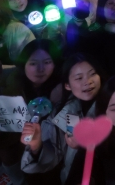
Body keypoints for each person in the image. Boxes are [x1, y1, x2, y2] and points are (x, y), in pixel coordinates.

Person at [20, 53, 103, 184]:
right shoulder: (66, 112)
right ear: (67, 85)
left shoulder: (112, 105)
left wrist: (85, 146)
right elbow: (54, 155)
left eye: (92, 74)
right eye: (79, 78)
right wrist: (37, 146)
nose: (88, 81)